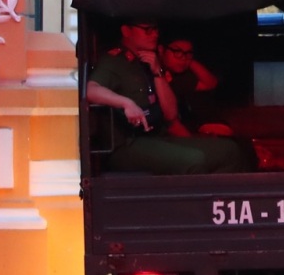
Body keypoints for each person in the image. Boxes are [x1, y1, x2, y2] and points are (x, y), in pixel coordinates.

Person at [86, 19, 244, 175]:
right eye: (148, 30)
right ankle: (197, 200)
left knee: (229, 151)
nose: (154, 34)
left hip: (157, 136)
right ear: (127, 31)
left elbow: (170, 114)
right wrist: (126, 103)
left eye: (156, 30)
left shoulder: (149, 62)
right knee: (194, 160)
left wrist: (157, 72)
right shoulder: (114, 61)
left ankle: (217, 199)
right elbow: (91, 90)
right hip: (128, 144)